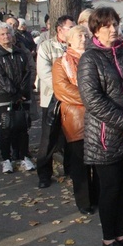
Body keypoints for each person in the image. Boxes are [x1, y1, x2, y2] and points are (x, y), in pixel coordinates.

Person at [78, 7, 123, 246]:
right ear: (95, 29)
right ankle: (109, 238)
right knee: (109, 189)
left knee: (122, 188)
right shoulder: (90, 59)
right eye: (107, 25)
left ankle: (120, 233)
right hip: (105, 136)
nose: (113, 29)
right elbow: (92, 99)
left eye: (115, 24)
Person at [52, 25, 99, 215]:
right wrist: (93, 99)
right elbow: (62, 90)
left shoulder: (95, 58)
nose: (84, 38)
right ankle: (84, 202)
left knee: (98, 162)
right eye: (79, 35)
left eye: (86, 35)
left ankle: (98, 196)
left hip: (97, 117)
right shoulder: (61, 63)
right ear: (69, 39)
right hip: (76, 118)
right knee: (80, 163)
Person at [0, 23, 35, 174]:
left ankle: (23, 156)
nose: (6, 36)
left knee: (22, 127)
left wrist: (22, 91)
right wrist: (14, 93)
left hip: (22, 95)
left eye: (8, 33)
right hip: (5, 96)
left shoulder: (20, 52)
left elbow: (28, 71)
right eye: (2, 34)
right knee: (6, 128)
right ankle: (6, 159)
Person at [36, 15, 75, 188]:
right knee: (48, 139)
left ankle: (71, 170)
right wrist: (64, 88)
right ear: (60, 30)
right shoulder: (46, 47)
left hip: (72, 101)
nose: (74, 31)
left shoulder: (76, 47)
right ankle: (44, 174)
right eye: (70, 28)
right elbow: (44, 74)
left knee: (72, 139)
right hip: (52, 99)